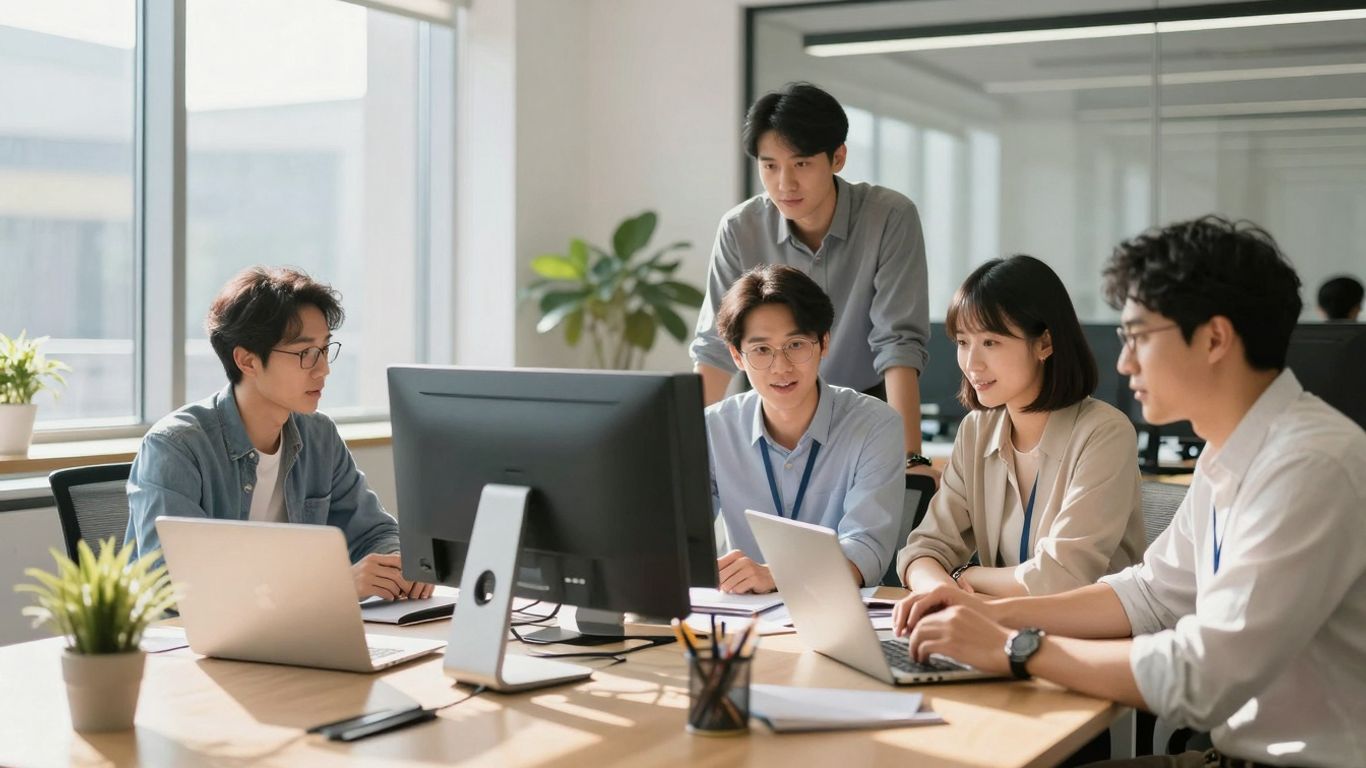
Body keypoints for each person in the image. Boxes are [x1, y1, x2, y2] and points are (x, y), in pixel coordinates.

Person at [891, 216, 1366, 768]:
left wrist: (1014, 648)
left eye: (1139, 337)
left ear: (1214, 338)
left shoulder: (1308, 464)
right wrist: (988, 618)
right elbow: (1150, 595)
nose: (1123, 362)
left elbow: (1203, 675)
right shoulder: (1228, 453)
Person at [126, 266, 432, 602]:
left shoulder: (319, 436)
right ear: (247, 361)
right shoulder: (175, 447)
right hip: (190, 646)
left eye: (325, 349)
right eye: (305, 353)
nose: (324, 369)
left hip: (295, 634)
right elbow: (176, 589)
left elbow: (374, 532)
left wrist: (397, 568)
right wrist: (334, 586)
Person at [689, 82, 935, 477]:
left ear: (837, 157)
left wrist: (909, 458)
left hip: (863, 407)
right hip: (771, 408)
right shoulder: (740, 228)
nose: (784, 183)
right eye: (770, 166)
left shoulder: (889, 217)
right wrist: (690, 453)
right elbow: (715, 350)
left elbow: (898, 344)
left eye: (801, 164)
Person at [897, 255, 1145, 597]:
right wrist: (940, 591)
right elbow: (923, 550)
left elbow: (1063, 577)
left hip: (1084, 638)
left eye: (990, 342)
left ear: (1044, 343)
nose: (972, 363)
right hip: (992, 627)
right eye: (963, 342)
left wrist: (963, 578)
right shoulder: (976, 430)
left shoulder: (1104, 433)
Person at [706, 264, 904, 594]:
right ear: (737, 357)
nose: (780, 366)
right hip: (745, 617)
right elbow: (680, 539)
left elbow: (867, 550)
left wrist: (775, 575)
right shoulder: (714, 428)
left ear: (823, 343)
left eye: (796, 344)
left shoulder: (875, 425)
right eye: (761, 350)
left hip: (842, 612)